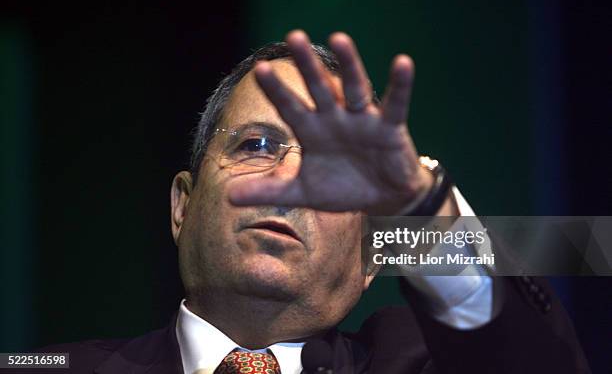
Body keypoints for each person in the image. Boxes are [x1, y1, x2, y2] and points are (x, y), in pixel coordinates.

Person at [32, 30, 590, 373]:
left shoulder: (426, 362)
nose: (291, 179)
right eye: (255, 145)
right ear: (182, 204)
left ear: (374, 256)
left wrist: (421, 214)